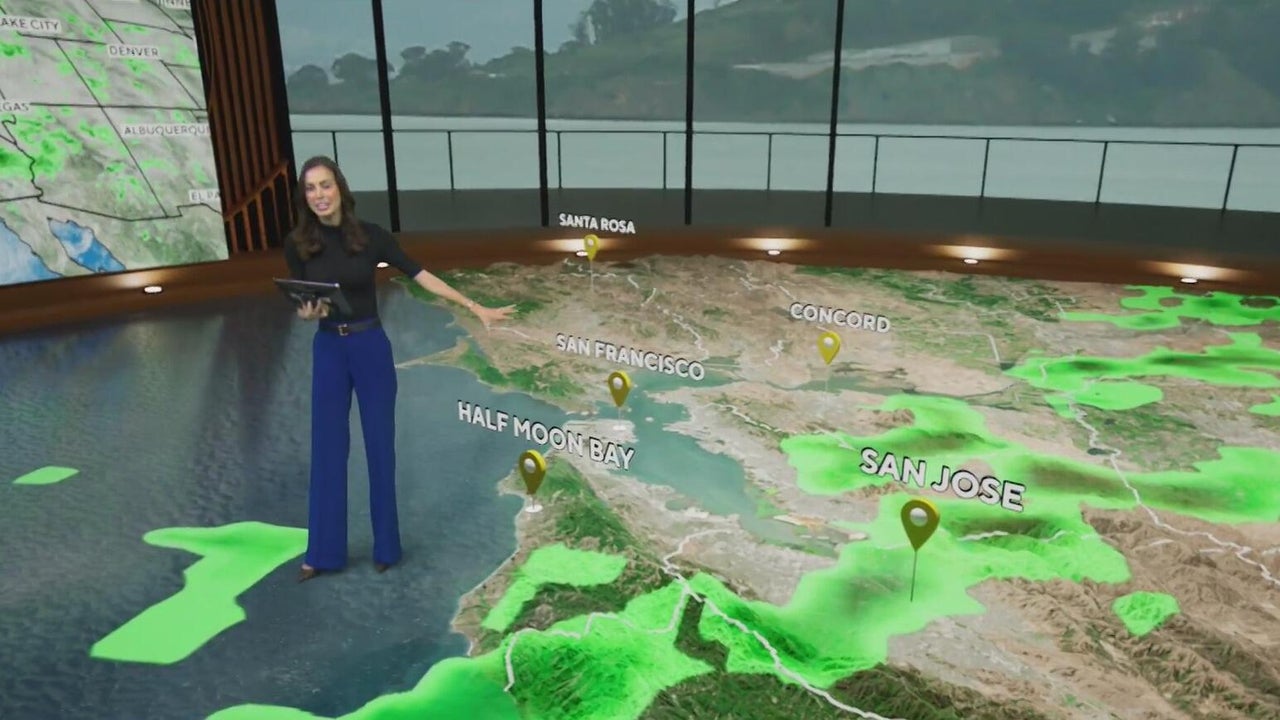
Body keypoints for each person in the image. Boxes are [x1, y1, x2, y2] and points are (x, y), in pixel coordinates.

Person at [284, 155, 515, 582]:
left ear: (340, 188)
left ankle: (386, 547)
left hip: (370, 347)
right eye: (310, 189)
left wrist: (473, 306)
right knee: (327, 451)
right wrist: (307, 312)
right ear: (305, 197)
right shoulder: (297, 244)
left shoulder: (371, 237)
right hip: (328, 349)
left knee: (380, 447)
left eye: (325, 185)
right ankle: (323, 554)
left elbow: (420, 274)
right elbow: (304, 301)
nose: (319, 195)